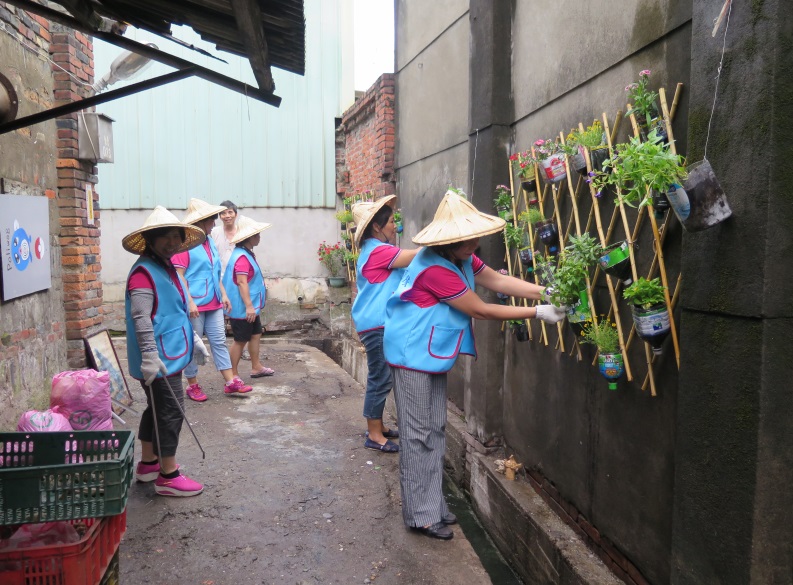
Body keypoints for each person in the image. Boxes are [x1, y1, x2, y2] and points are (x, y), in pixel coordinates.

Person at [383, 191, 567, 539]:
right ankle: (421, 514)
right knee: (419, 433)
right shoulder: (434, 268)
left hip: (428, 352)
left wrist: (544, 292)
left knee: (434, 428)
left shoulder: (461, 258)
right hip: (410, 356)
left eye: (474, 237)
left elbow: (496, 281)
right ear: (449, 241)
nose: (474, 244)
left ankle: (432, 504)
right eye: (466, 239)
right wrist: (537, 312)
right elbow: (480, 308)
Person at [123, 206, 207, 497]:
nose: (172, 242)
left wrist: (193, 337)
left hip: (171, 348)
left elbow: (173, 307)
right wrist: (149, 354)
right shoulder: (144, 272)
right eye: (166, 237)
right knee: (171, 410)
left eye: (177, 237)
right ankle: (168, 475)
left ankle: (148, 463)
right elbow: (141, 318)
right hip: (158, 357)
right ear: (151, 239)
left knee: (156, 407)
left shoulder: (165, 265)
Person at [350, 195, 421, 453]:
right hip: (377, 324)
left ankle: (377, 426)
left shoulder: (374, 250)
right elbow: (414, 257)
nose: (395, 226)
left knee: (382, 377)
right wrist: (439, 243)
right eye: (391, 221)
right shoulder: (379, 251)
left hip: (376, 322)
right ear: (377, 227)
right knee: (380, 378)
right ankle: (373, 434)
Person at [172, 198, 253, 400]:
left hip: (214, 301)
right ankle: (192, 384)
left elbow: (215, 271)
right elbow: (179, 275)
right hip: (196, 304)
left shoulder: (209, 241)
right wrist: (189, 301)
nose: (215, 223)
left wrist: (223, 294)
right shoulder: (185, 245)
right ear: (200, 222)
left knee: (219, 341)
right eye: (211, 220)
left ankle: (230, 382)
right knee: (194, 344)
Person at [221, 215, 275, 381]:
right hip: (243, 308)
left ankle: (256, 366)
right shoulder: (242, 257)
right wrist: (249, 307)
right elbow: (242, 283)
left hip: (249, 307)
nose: (259, 236)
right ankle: (233, 374)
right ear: (249, 237)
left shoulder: (245, 253)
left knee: (255, 334)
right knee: (240, 340)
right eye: (257, 234)